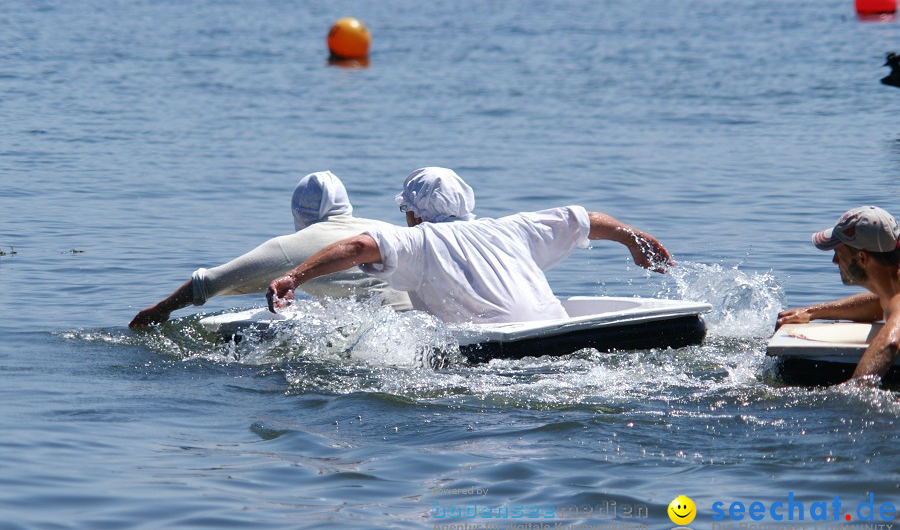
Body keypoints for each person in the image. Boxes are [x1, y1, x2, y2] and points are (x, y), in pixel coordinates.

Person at [267, 167, 674, 325]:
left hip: (498, 357)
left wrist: (295, 276)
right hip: (556, 331)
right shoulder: (511, 228)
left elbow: (356, 246)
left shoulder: (415, 240)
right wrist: (636, 239)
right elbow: (584, 219)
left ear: (412, 213)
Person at [129, 171, 411, 329]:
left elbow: (209, 283)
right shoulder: (384, 230)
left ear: (297, 213)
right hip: (423, 330)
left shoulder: (292, 247)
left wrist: (159, 310)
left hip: (382, 339)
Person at [776, 206, 900, 382]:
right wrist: (812, 312)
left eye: (838, 252)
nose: (834, 261)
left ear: (862, 258)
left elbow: (891, 343)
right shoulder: (892, 292)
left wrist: (855, 392)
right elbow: (879, 303)